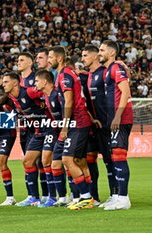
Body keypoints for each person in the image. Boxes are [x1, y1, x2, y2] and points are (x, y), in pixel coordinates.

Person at [48, 46, 94, 210]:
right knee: (80, 161)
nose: (48, 60)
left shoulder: (64, 74)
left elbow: (69, 101)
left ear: (59, 58)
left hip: (77, 122)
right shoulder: (64, 73)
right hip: (80, 121)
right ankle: (88, 197)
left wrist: (65, 127)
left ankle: (86, 197)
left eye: (50, 57)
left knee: (67, 160)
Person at [2, 72, 50, 206]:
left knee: (50, 163)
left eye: (6, 82)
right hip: (37, 131)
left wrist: (46, 107)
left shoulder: (29, 92)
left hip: (50, 128)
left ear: (15, 83)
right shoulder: (11, 98)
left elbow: (49, 94)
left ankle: (57, 197)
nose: (3, 84)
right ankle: (34, 197)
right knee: (28, 162)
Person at [80, 44, 119, 206]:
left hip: (106, 126)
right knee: (90, 160)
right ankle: (94, 198)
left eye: (85, 56)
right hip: (92, 127)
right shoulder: (87, 76)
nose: (82, 59)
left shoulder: (105, 72)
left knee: (110, 161)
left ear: (95, 56)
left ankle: (116, 195)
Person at [97, 40, 134, 210]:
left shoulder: (116, 68)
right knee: (114, 157)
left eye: (102, 50)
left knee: (119, 157)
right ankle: (118, 196)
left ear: (112, 53)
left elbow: (125, 91)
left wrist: (117, 116)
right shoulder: (108, 70)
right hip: (114, 118)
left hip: (121, 117)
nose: (99, 53)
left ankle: (124, 198)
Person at [18, 52, 49, 204]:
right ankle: (32, 195)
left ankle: (46, 194)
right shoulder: (15, 80)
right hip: (23, 127)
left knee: (41, 162)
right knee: (28, 162)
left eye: (22, 60)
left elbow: (43, 98)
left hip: (38, 127)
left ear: (30, 63)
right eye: (18, 60)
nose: (19, 62)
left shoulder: (35, 79)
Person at [34, 69, 67, 207]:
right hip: (54, 130)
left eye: (36, 81)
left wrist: (66, 128)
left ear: (45, 81)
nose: (34, 83)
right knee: (46, 160)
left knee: (71, 162)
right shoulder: (46, 96)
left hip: (67, 129)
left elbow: (67, 110)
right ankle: (54, 197)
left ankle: (75, 196)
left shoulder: (57, 94)